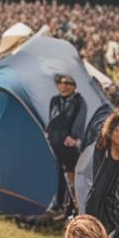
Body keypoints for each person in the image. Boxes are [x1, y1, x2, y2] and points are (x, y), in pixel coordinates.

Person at [47, 73, 87, 213]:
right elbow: (52, 120)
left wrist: (73, 137)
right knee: (58, 173)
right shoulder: (54, 100)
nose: (64, 86)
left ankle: (73, 207)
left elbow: (79, 122)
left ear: (74, 87)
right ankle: (58, 204)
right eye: (62, 83)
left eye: (68, 83)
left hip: (69, 145)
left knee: (71, 176)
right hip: (55, 143)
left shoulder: (79, 102)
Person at [83, 111, 119, 238]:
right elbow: (96, 182)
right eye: (118, 131)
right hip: (98, 200)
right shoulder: (101, 149)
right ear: (110, 131)